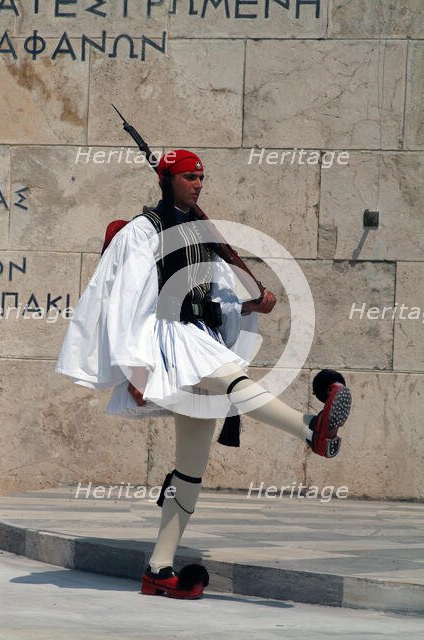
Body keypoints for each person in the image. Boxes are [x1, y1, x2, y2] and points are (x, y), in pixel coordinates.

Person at [56, 149, 351, 600]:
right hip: (166, 336)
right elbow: (125, 301)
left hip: (196, 332)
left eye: (201, 178)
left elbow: (215, 296)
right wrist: (135, 371)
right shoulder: (144, 230)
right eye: (190, 177)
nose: (197, 184)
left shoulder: (199, 233)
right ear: (168, 179)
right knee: (231, 379)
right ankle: (310, 428)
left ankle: (158, 569)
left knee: (190, 468)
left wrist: (252, 304)